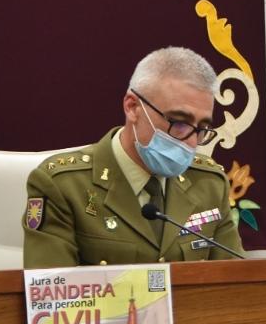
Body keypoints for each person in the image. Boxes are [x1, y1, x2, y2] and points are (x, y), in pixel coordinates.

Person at [23, 46, 243, 268]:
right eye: (179, 122)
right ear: (133, 107)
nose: (191, 142)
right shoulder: (64, 185)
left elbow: (235, 286)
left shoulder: (209, 185)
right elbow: (50, 294)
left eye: (202, 127)